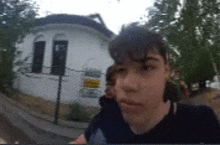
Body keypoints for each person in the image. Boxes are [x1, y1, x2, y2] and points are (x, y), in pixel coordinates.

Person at [69, 23, 220, 144]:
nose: (128, 84)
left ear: (167, 70)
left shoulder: (199, 123)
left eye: (146, 67)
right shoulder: (107, 116)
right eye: (121, 69)